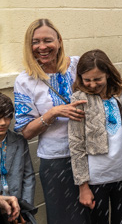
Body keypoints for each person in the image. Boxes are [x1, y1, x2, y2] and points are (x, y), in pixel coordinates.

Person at [13, 19, 90, 224]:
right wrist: (52, 113)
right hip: (57, 161)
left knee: (93, 215)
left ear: (59, 41)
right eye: (35, 42)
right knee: (64, 218)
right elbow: (26, 132)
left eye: (48, 40)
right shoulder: (25, 80)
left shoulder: (78, 64)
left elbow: (108, 90)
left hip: (91, 154)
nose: (42, 47)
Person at [68, 49, 122, 224]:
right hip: (95, 179)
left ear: (107, 73)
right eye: (87, 80)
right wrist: (83, 186)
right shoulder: (79, 99)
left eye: (97, 79)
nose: (92, 84)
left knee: (121, 220)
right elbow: (76, 143)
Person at [0, 93, 35, 206]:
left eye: (7, 117)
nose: (3, 123)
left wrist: (25, 207)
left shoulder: (20, 142)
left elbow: (28, 176)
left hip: (18, 205)